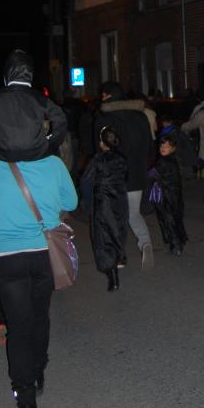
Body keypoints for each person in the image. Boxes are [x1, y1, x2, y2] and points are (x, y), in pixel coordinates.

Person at [0, 150, 77, 408]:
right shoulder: (51, 163)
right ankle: (38, 371)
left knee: (18, 327)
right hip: (44, 252)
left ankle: (26, 405)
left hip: (5, 257)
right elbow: (71, 201)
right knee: (40, 314)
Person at [95, 82, 154, 269]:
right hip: (137, 174)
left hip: (114, 175)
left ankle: (119, 256)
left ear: (108, 96)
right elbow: (149, 145)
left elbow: (98, 147)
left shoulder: (105, 118)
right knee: (133, 214)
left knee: (115, 216)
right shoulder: (141, 116)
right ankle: (145, 243)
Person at [0, 49, 68, 161]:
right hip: (36, 154)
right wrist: (48, 143)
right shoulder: (40, 98)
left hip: (1, 155)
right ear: (30, 74)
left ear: (7, 73)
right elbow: (60, 120)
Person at [84, 125, 129, 292]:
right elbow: (125, 178)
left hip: (103, 202)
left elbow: (86, 181)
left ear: (102, 142)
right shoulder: (122, 159)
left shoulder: (98, 160)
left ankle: (112, 275)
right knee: (117, 230)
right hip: (119, 200)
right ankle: (119, 258)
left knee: (104, 236)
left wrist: (87, 202)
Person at [149, 132, 188, 255]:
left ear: (173, 148)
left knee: (168, 219)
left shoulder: (163, 162)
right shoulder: (172, 159)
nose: (162, 148)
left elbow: (152, 174)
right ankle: (180, 240)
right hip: (173, 194)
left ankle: (176, 245)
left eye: (166, 146)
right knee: (175, 218)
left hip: (167, 195)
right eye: (161, 145)